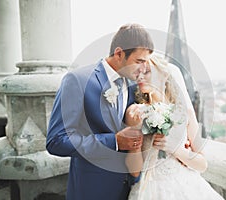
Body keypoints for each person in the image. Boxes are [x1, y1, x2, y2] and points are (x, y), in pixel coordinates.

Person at [46, 24, 154, 200]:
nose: (143, 69)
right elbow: (56, 141)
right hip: (92, 190)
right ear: (119, 54)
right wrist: (114, 141)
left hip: (131, 190)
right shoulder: (78, 80)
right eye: (139, 61)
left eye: (146, 62)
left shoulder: (134, 86)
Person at [125, 55, 225, 200]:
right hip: (150, 190)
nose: (140, 77)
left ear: (164, 75)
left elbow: (202, 165)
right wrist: (134, 137)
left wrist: (176, 149)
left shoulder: (186, 114)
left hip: (185, 187)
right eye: (137, 73)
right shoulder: (135, 112)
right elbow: (134, 171)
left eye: (146, 72)